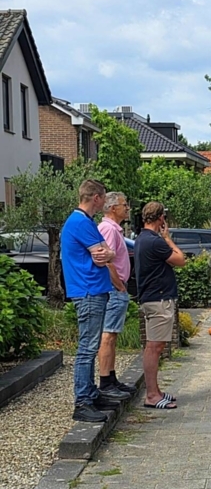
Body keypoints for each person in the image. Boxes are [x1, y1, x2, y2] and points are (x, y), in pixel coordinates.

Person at [61, 179, 123, 422]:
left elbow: (107, 252)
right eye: (103, 197)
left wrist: (108, 253)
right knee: (87, 348)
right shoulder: (80, 222)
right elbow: (102, 254)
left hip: (93, 290)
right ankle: (82, 401)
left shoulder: (85, 221)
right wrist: (108, 253)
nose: (104, 201)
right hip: (88, 291)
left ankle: (91, 393)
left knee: (91, 345)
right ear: (96, 198)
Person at [135, 201, 187, 409]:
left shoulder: (141, 238)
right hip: (159, 299)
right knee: (154, 347)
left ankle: (155, 391)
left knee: (155, 346)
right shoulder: (155, 241)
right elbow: (180, 260)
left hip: (151, 297)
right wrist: (168, 238)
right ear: (161, 218)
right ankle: (152, 395)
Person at [97, 192, 136, 397]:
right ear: (113, 208)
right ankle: (105, 382)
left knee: (113, 334)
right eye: (124, 204)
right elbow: (106, 260)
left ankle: (111, 378)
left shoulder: (114, 229)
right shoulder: (109, 229)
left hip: (116, 287)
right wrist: (119, 285)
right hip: (114, 288)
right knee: (108, 334)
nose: (127, 208)